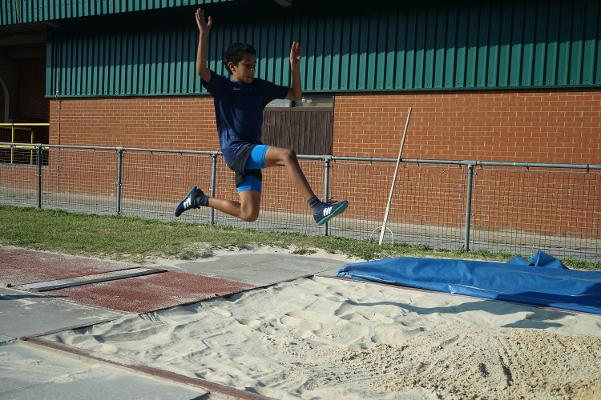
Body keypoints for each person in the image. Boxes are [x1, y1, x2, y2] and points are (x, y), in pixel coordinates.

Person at [175, 8, 348, 225]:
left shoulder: (259, 88)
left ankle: (199, 198)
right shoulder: (224, 88)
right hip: (237, 150)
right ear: (232, 66)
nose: (251, 70)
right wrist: (204, 33)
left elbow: (295, 95)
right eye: (247, 65)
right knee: (287, 155)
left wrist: (295, 67)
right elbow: (201, 69)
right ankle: (317, 207)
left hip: (249, 153)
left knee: (249, 213)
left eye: (254, 65)